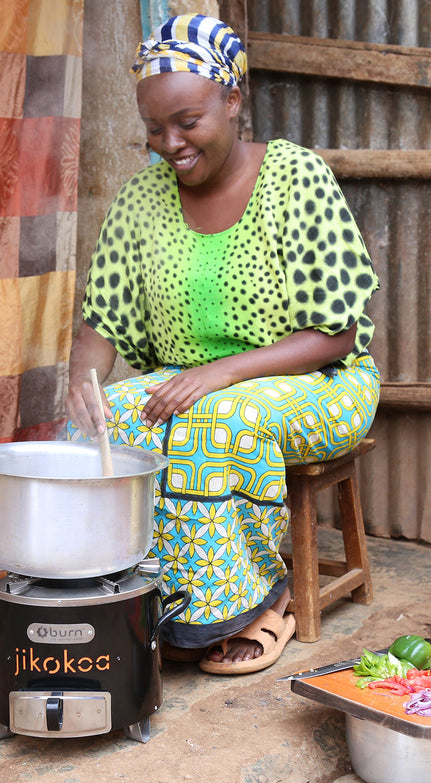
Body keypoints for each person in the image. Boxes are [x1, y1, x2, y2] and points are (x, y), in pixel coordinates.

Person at [64, 14, 380, 675]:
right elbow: (101, 323)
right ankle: (141, 599)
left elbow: (336, 333)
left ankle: (258, 602)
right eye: (155, 128)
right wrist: (82, 387)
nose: (170, 144)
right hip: (193, 380)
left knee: (219, 422)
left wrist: (224, 373)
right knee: (108, 423)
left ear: (233, 100)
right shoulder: (140, 200)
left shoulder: (295, 178)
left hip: (319, 380)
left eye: (187, 122)